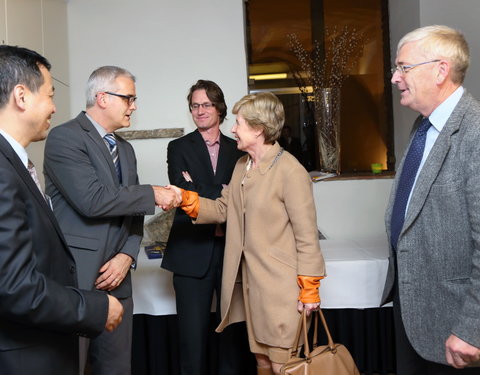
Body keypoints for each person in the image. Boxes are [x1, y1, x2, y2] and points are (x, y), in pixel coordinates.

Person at [169, 92, 326, 375]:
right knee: (262, 363)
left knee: (283, 366)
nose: (232, 128)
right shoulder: (243, 165)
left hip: (281, 291)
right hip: (251, 289)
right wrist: (183, 199)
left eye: (239, 123)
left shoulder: (290, 171)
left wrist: (310, 289)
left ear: (258, 129)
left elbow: (306, 237)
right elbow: (221, 209)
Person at [43, 66, 179, 375]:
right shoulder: (64, 138)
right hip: (77, 279)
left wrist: (126, 255)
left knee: (116, 368)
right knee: (71, 364)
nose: (134, 105)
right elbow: (92, 200)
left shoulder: (126, 150)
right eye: (129, 98)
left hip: (119, 280)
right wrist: (153, 193)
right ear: (102, 98)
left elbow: (132, 214)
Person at [0, 45, 123, 375]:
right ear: (21, 96)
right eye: (50, 95)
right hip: (23, 356)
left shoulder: (15, 162)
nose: (55, 107)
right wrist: (95, 309)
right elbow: (13, 285)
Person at [382, 25, 480, 374]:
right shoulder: (422, 128)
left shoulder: (475, 132)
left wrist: (472, 328)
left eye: (403, 67)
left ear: (441, 70)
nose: (395, 78)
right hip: (414, 313)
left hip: (458, 328)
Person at [161, 79, 246, 375]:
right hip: (190, 251)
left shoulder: (240, 148)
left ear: (219, 108)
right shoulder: (178, 147)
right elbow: (183, 194)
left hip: (232, 252)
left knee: (233, 338)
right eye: (195, 105)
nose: (200, 111)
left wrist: (199, 187)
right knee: (191, 340)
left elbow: (244, 194)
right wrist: (224, 189)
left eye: (206, 104)